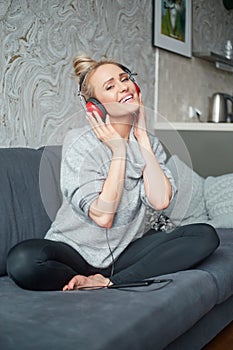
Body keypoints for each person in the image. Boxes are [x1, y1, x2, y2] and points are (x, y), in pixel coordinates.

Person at [7, 55, 219, 291]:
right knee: (23, 261)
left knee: (205, 236)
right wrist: (118, 151)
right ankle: (78, 277)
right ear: (95, 105)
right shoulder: (79, 142)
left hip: (125, 253)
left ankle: (108, 283)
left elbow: (160, 201)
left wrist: (143, 139)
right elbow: (103, 216)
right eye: (110, 86)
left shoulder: (150, 145)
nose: (123, 87)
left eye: (125, 79)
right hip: (73, 251)